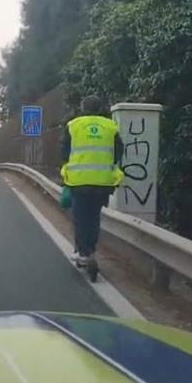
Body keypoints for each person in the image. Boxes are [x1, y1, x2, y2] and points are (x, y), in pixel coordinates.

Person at [60, 95, 124, 270]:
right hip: (103, 182)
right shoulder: (110, 126)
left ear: (82, 107)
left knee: (80, 217)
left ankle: (83, 252)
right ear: (99, 108)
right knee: (94, 217)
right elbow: (119, 151)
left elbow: (64, 152)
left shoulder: (74, 126)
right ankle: (91, 249)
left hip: (79, 181)